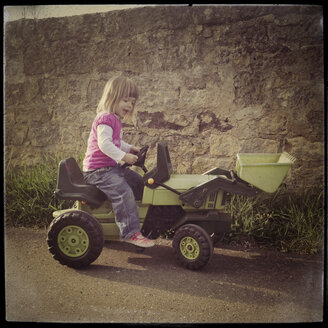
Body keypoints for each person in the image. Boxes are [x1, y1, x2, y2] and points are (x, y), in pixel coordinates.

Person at [82, 76, 155, 248]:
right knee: (123, 192)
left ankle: (141, 220)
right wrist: (123, 156)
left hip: (110, 168)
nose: (129, 105)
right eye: (125, 100)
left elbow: (115, 142)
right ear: (112, 97)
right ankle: (130, 232)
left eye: (132, 102)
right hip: (98, 171)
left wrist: (129, 148)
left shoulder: (114, 119)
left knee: (137, 181)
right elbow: (105, 144)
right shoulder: (105, 118)